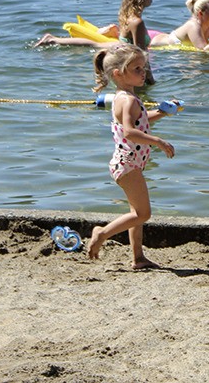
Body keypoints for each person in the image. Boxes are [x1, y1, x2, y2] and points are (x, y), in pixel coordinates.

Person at [88, 43, 175, 268]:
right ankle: (102, 233)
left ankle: (137, 257)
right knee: (143, 213)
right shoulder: (127, 100)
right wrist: (158, 141)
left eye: (143, 67)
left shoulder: (125, 97)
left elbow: (141, 121)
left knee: (135, 212)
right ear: (118, 74)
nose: (143, 72)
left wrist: (163, 112)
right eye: (137, 69)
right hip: (127, 164)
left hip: (129, 163)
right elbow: (130, 131)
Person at [35, 0, 156, 82]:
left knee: (94, 44)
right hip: (123, 53)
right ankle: (53, 40)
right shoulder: (137, 22)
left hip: (121, 45)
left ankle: (53, 40)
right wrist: (150, 79)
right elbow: (141, 55)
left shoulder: (127, 13)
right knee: (94, 44)